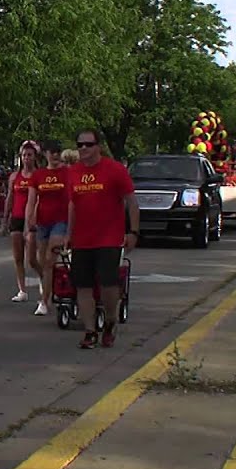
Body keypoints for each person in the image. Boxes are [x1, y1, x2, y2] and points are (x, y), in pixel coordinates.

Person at [67, 129, 138, 350]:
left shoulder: (115, 170)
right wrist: (68, 235)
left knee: (108, 284)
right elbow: (72, 205)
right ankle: (90, 331)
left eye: (88, 145)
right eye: (79, 145)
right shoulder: (73, 172)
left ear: (98, 146)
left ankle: (109, 321)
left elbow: (131, 202)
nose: (83, 149)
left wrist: (133, 232)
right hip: (82, 239)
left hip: (109, 237)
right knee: (83, 286)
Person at [25, 140, 69, 316]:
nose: (55, 155)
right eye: (52, 152)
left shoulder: (67, 173)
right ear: (45, 154)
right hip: (42, 221)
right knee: (41, 262)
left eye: (58, 151)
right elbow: (31, 200)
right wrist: (29, 221)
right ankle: (51, 289)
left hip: (61, 221)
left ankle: (44, 301)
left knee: (51, 260)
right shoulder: (38, 175)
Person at [2, 141, 40, 303]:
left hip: (32, 219)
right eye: (24, 155)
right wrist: (5, 217)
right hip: (17, 217)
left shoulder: (39, 175)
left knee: (32, 258)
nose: (26, 158)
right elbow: (10, 197)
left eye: (29, 155)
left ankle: (44, 280)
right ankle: (22, 289)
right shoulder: (14, 176)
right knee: (18, 257)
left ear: (35, 157)